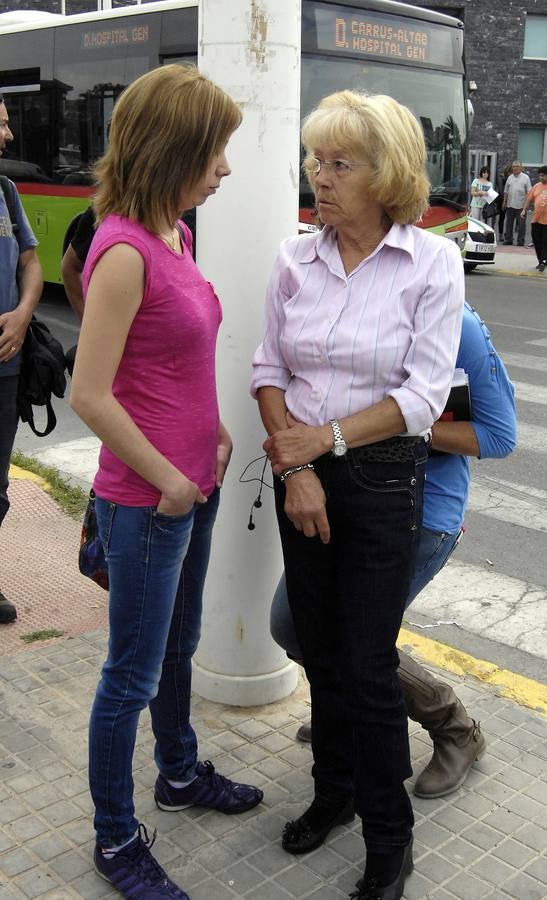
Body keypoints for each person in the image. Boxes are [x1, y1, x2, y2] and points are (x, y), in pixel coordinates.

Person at [251, 91, 464, 900]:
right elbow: (268, 370)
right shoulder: (292, 258)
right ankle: (332, 793)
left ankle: (389, 835)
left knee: (369, 667)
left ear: (388, 175)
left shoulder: (432, 262)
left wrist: (326, 443)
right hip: (297, 475)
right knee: (320, 650)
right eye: (315, 160)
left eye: (340, 163)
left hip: (378, 480)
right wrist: (297, 467)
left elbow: (422, 397)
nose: (320, 177)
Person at [70, 65, 263, 900]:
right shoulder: (122, 249)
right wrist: (169, 482)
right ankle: (115, 840)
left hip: (195, 482)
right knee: (129, 677)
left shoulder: (179, 234)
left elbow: (174, 363)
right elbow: (90, 393)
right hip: (149, 502)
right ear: (175, 149)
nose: (224, 169)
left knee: (177, 649)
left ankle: (178, 773)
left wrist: (215, 431)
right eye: (215, 151)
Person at [271, 301, 517, 801]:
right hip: (341, 498)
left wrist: (398, 425)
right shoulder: (326, 293)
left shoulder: (453, 318)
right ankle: (344, 709)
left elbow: (498, 435)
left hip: (419, 513)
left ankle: (454, 728)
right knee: (297, 624)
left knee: (354, 638)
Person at [0, 92, 43, 625]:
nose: (9, 135)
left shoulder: (6, 191)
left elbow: (31, 263)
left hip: (5, 369)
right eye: (2, 124)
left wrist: (25, 312)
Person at [521, 165, 547, 272]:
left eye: (543, 176)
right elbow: (529, 199)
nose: (541, 177)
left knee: (545, 241)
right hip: (536, 219)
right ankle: (541, 260)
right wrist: (524, 210)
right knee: (536, 240)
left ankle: (544, 261)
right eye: (540, 175)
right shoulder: (536, 186)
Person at [503, 160, 531, 245]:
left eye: (517, 166)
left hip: (521, 206)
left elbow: (529, 192)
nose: (515, 168)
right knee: (509, 223)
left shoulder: (526, 177)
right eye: (513, 166)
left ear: (521, 167)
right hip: (510, 204)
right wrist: (504, 202)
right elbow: (506, 191)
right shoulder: (510, 177)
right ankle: (508, 239)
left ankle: (520, 241)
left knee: (521, 225)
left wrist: (526, 206)